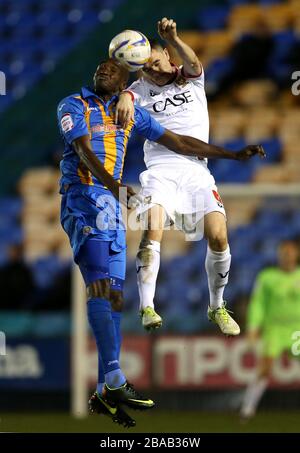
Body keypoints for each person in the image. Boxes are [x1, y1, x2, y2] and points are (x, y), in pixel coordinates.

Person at [57, 57, 263, 427]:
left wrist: (232, 153)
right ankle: (115, 381)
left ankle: (109, 387)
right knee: (101, 287)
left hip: (112, 205)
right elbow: (83, 151)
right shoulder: (74, 104)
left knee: (115, 294)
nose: (104, 70)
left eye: (113, 68)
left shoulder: (132, 114)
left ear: (124, 82)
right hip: (84, 197)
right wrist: (117, 186)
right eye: (100, 67)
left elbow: (180, 141)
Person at [115, 18, 262, 334]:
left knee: (219, 234)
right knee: (152, 227)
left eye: (155, 63)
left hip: (197, 170)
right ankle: (147, 306)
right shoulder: (138, 90)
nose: (152, 71)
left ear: (168, 56)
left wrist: (175, 37)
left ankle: (217, 306)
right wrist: (125, 97)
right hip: (160, 172)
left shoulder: (191, 79)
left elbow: (194, 61)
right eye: (145, 68)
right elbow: (126, 96)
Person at [240, 240, 300, 420]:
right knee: (265, 368)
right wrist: (253, 327)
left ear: (296, 254)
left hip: (297, 330)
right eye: (284, 253)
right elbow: (257, 304)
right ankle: (247, 409)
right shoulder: (267, 277)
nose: (287, 256)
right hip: (274, 329)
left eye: (290, 252)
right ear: (279, 255)